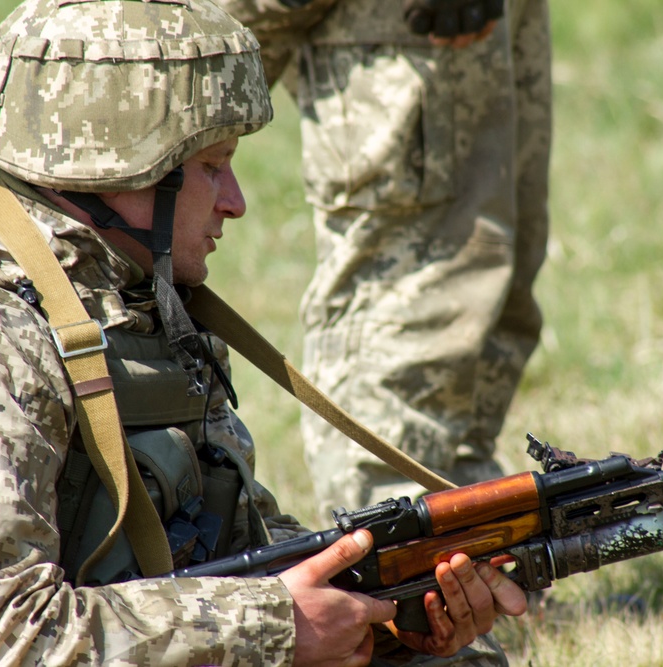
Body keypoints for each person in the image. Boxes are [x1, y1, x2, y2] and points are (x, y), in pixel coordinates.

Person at [0, 1, 526, 665]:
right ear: (122, 168)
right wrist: (274, 626)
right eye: (210, 166)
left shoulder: (128, 298)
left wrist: (382, 606)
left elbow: (228, 552)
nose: (235, 200)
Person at [215, 0, 553, 521]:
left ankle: (471, 540)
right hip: (388, 27)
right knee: (408, 290)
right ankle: (389, 551)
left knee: (493, 281)